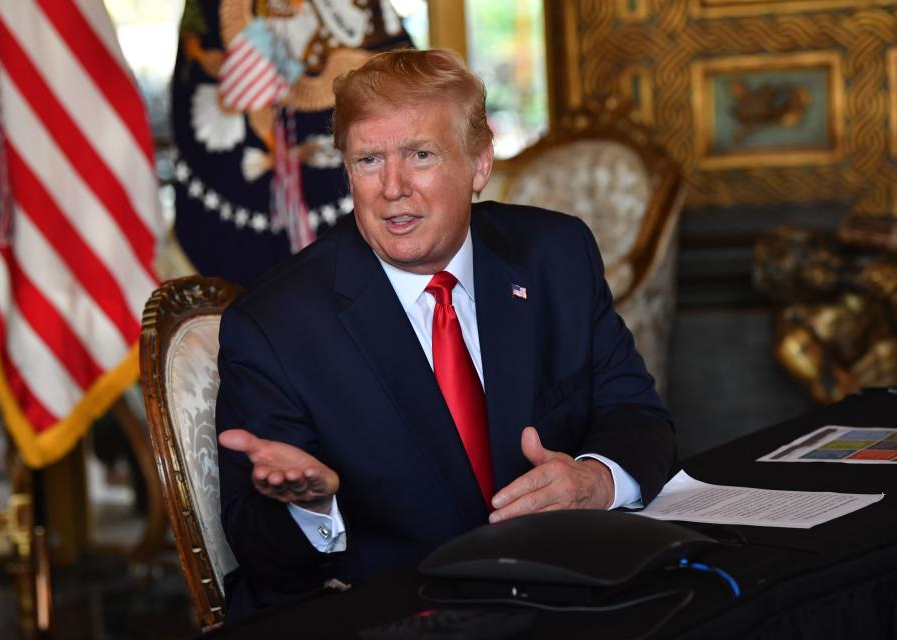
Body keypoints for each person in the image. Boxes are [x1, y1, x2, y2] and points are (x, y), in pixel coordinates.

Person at [215, 48, 675, 618]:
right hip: (382, 614)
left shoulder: (554, 255)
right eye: (367, 161)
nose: (392, 187)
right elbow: (260, 553)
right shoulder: (275, 325)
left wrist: (596, 481)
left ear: (479, 163)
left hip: (559, 597)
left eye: (420, 155)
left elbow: (639, 418)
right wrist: (311, 509)